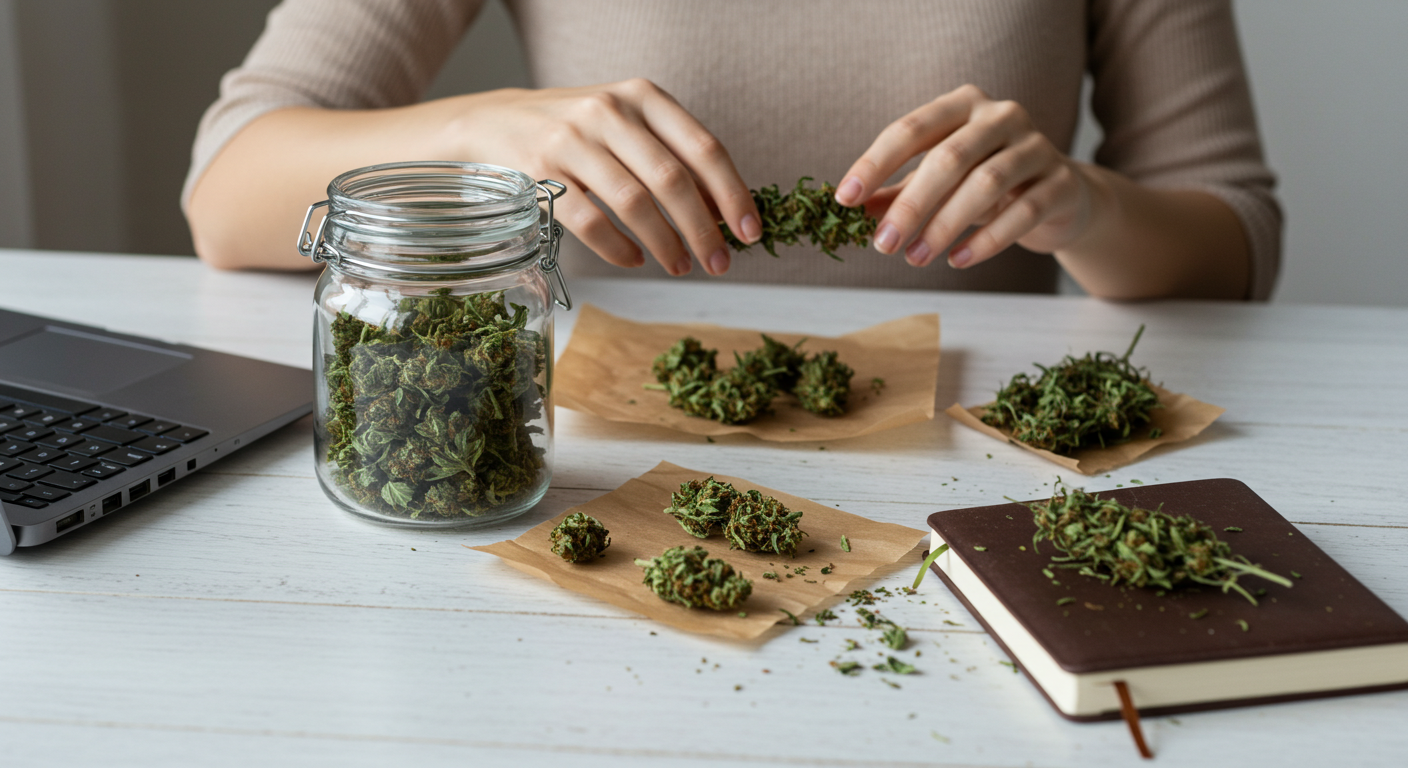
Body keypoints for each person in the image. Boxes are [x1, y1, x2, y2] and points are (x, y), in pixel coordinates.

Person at [184, 0, 1280, 300]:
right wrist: (480, 133)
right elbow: (229, 196)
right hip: (608, 485)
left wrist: (1083, 209)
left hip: (974, 478)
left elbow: (1235, 240)